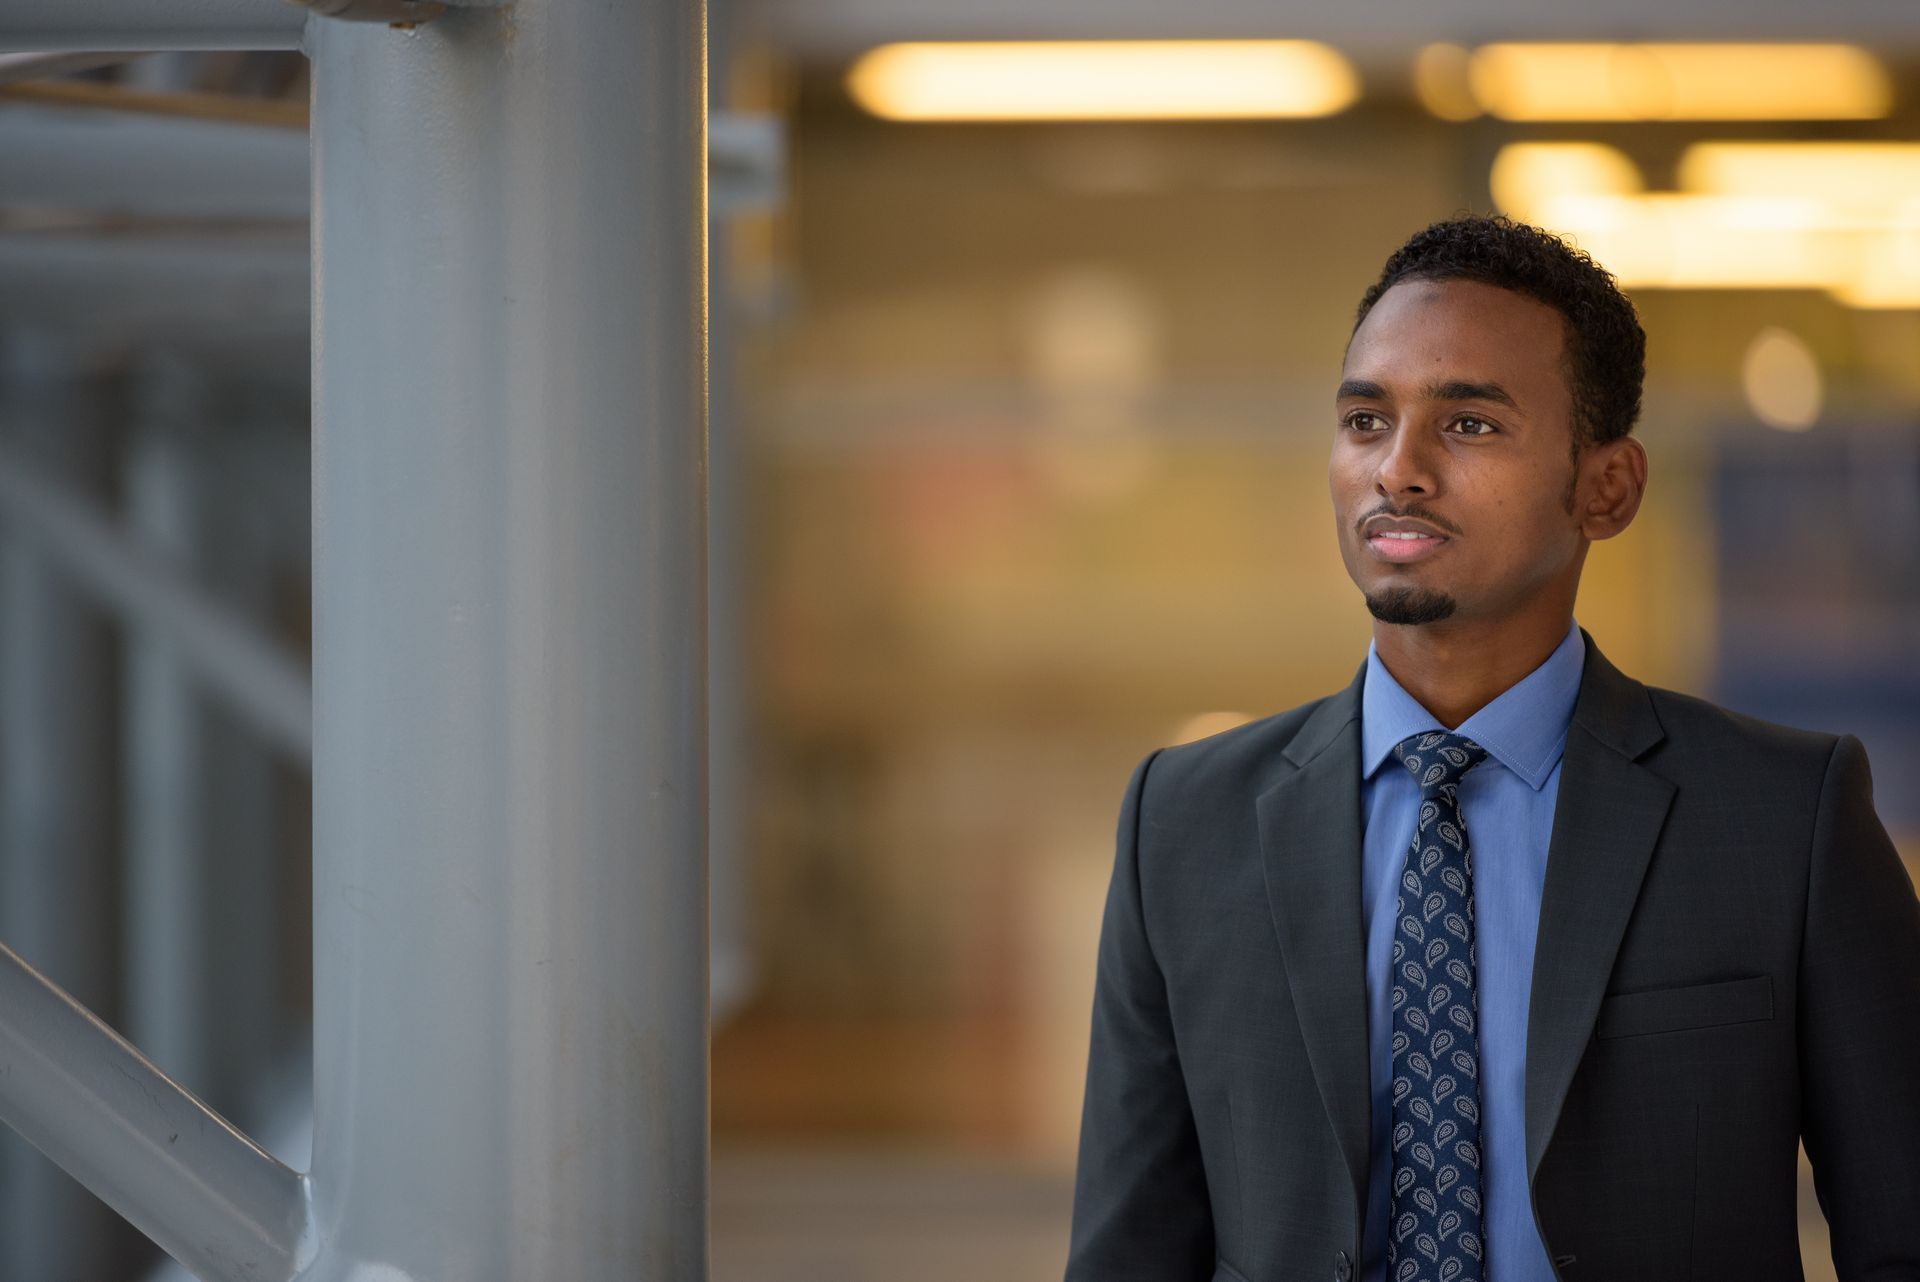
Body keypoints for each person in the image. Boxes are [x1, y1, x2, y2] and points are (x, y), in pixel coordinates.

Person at [1063, 215, 1920, 1282]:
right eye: (1367, 419)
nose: (1400, 469)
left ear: (1607, 487)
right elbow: (1130, 1253)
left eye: (1468, 424)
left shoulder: (1784, 817)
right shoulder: (1183, 823)